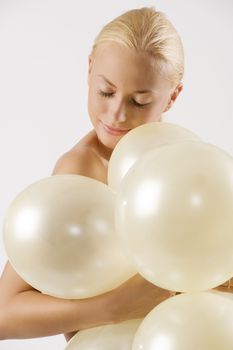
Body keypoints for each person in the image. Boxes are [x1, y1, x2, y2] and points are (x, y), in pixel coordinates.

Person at [0, 6, 231, 343]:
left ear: (172, 97)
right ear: (89, 69)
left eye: (140, 101)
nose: (117, 114)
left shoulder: (189, 163)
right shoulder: (79, 171)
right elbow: (5, 315)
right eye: (106, 92)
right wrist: (116, 306)